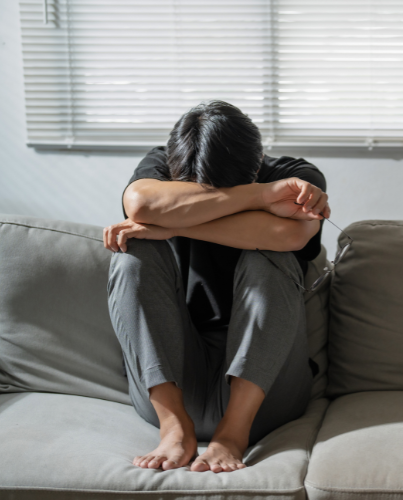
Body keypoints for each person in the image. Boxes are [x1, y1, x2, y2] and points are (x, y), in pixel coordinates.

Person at [103, 100, 329, 473]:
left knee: (270, 254)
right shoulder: (161, 165)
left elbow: (289, 236)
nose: (208, 197)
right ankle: (174, 427)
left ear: (256, 166)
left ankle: (232, 435)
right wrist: (258, 197)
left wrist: (174, 223)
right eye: (193, 192)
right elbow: (141, 204)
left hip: (267, 391)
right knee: (133, 251)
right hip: (172, 381)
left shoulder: (295, 175)